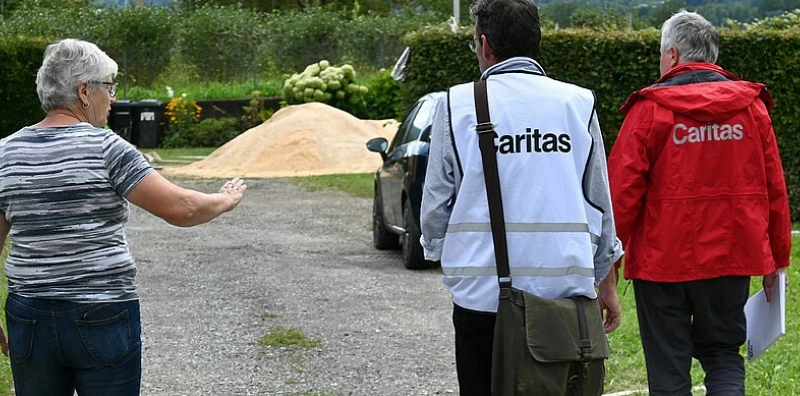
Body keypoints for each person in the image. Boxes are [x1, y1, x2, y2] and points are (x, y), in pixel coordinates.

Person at [0, 38, 247, 396]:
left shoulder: (5, 152)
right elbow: (183, 209)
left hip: (29, 316)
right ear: (84, 91)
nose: (112, 97)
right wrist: (225, 200)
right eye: (108, 87)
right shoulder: (107, 148)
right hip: (102, 315)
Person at [419, 0, 624, 393]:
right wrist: (606, 279)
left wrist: (440, 249)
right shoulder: (577, 103)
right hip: (563, 299)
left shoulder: (456, 104)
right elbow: (598, 200)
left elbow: (435, 203)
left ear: (484, 45)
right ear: (536, 42)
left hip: (483, 298)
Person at [607, 10, 791, 396]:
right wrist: (777, 258)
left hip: (662, 265)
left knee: (669, 369)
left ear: (672, 55)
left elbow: (619, 195)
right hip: (732, 256)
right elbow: (774, 186)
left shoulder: (648, 111)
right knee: (724, 355)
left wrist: (607, 263)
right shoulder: (751, 109)